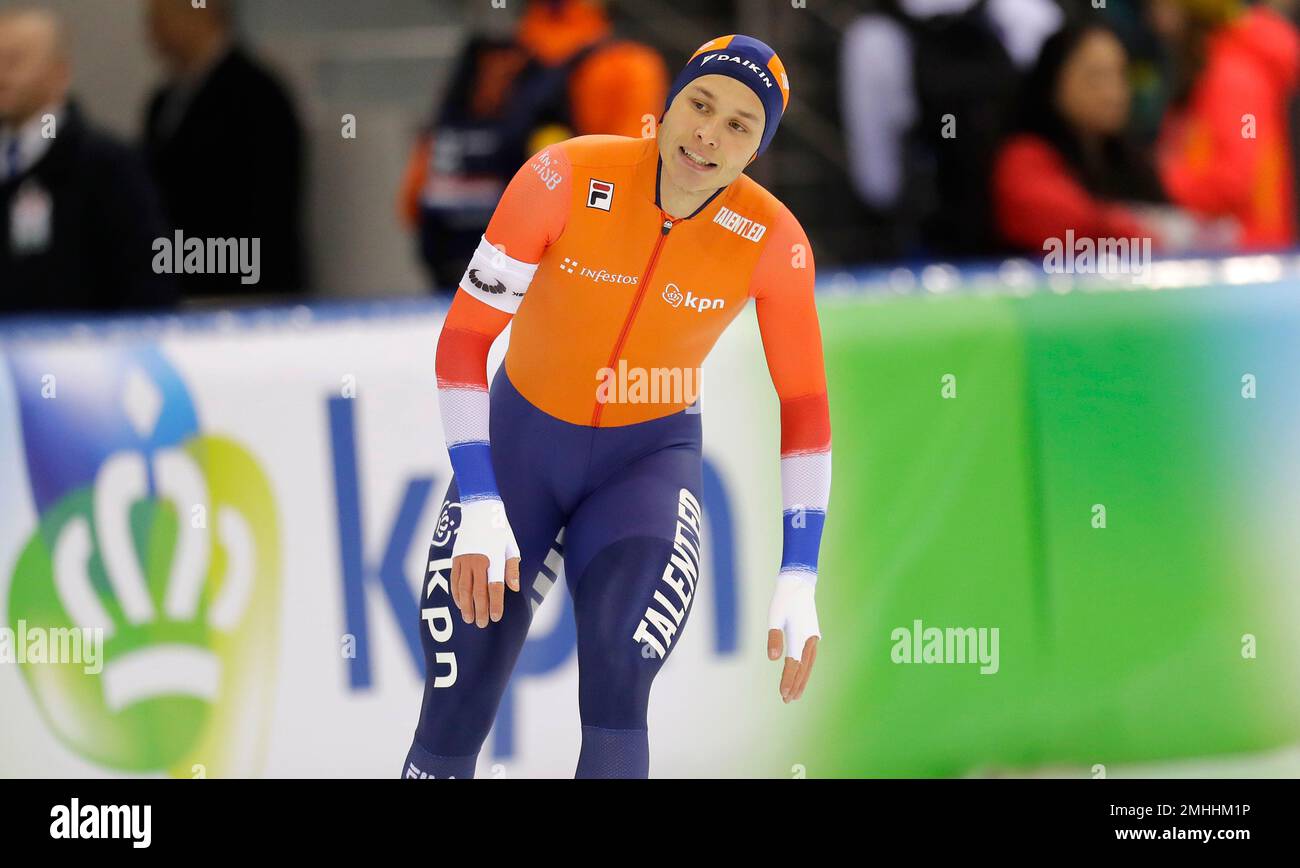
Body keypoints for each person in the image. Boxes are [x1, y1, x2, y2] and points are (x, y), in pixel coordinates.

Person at [403, 35, 831, 779]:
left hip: (646, 465)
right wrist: (478, 497)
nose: (708, 134)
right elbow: (463, 344)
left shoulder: (775, 243)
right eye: (700, 104)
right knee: (457, 691)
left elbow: (805, 407)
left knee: (618, 683)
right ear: (667, 105)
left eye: (739, 125)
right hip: (518, 450)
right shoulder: (563, 175)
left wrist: (800, 572)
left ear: (758, 150)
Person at [397, 0, 668, 291]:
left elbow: (425, 177)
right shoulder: (628, 66)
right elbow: (627, 174)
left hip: (456, 254)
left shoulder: (490, 58)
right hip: (555, 264)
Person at [0, 6, 175, 315]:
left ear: (59, 73)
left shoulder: (106, 166)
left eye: (14, 60)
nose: (2, 74)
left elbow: (148, 282)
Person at [143, 0, 306, 298]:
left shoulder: (258, 93)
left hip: (246, 288)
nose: (151, 31)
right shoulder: (163, 101)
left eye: (159, 18)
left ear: (199, 14)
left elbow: (271, 204)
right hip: (185, 281)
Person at [992, 20, 1173, 252]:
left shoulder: (1131, 163)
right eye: (1096, 76)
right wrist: (1141, 228)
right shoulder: (1022, 158)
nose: (1113, 93)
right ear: (1053, 79)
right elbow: (1075, 227)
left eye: (1120, 75)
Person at [1150, 0, 1300, 249]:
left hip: (1246, 255)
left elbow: (1235, 178)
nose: (1156, 17)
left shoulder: (1236, 80)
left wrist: (1158, 181)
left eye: (1163, 5)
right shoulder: (1210, 69)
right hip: (1226, 249)